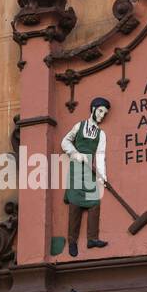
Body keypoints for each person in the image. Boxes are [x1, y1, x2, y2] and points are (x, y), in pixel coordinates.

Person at [61, 97, 110, 257]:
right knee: (75, 203)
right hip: (76, 167)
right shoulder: (79, 126)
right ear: (94, 109)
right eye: (101, 110)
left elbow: (101, 155)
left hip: (90, 170)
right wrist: (75, 153)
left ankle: (92, 239)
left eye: (105, 113)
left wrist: (102, 176)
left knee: (94, 202)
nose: (102, 115)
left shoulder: (101, 134)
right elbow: (65, 142)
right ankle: (72, 241)